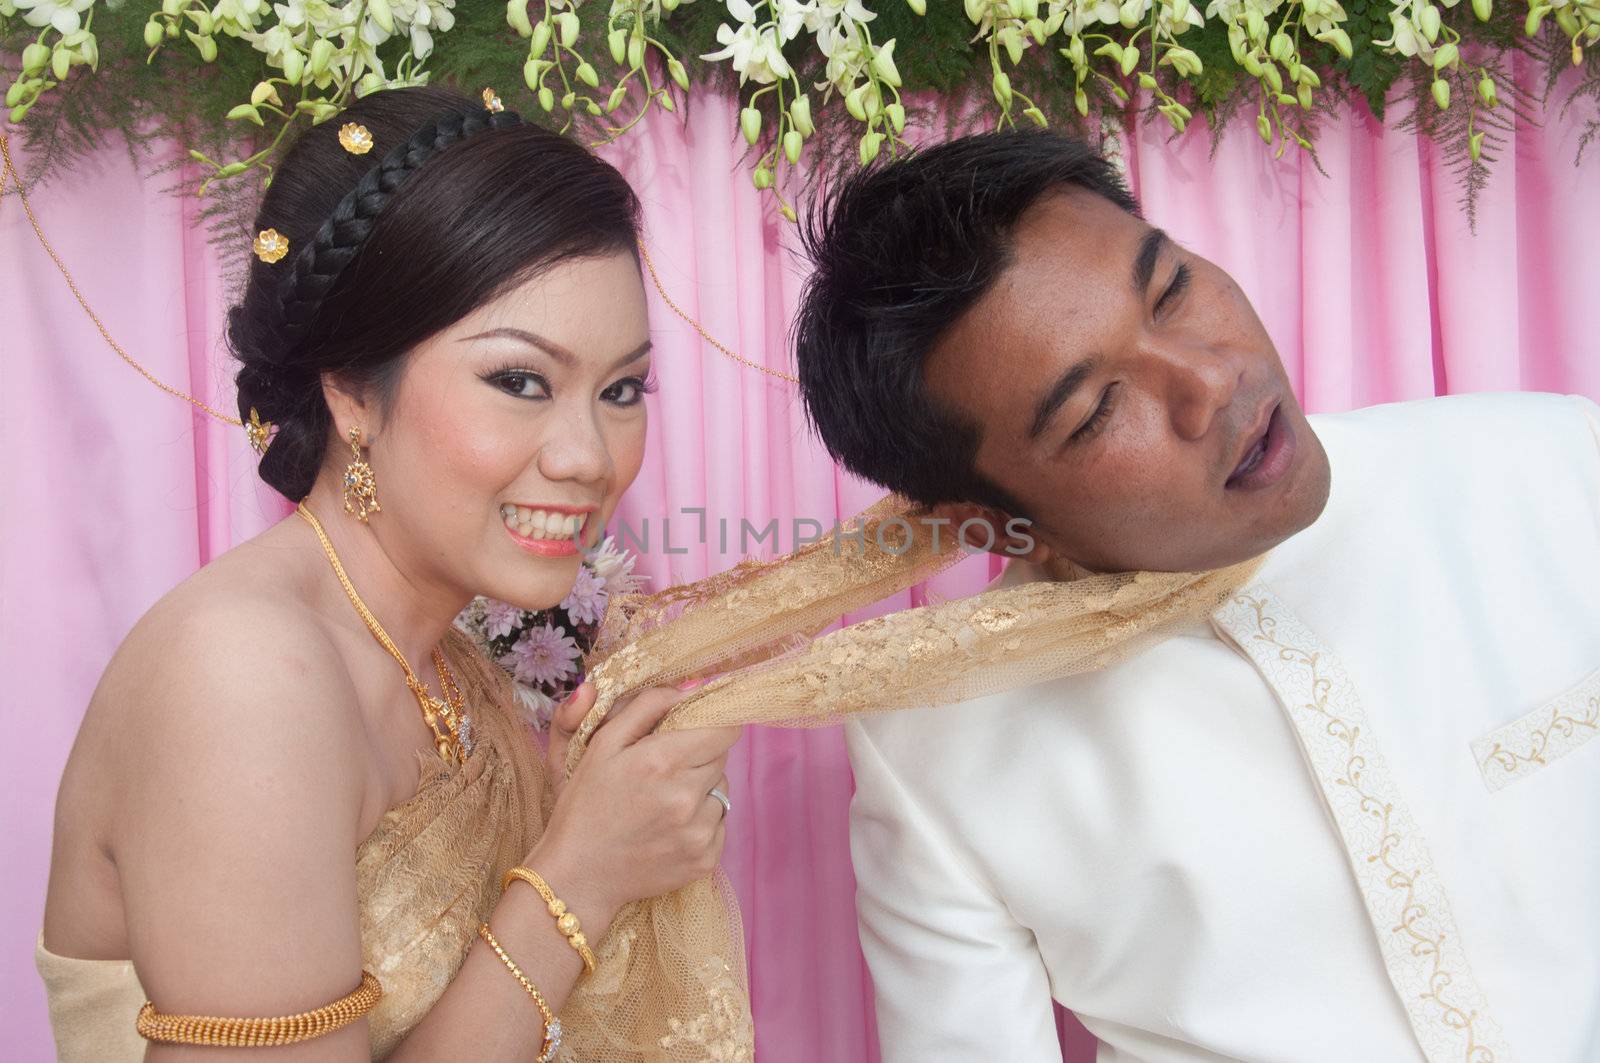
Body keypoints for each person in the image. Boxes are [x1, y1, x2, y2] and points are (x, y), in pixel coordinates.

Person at [792, 131, 1600, 1062]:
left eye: (1172, 289)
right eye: (1096, 410)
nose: (1212, 381)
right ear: (992, 521)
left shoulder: (1554, 468)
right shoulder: (937, 748)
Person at [38, 85, 743, 1062]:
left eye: (621, 389)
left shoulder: (454, 667)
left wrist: (586, 797)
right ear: (351, 389)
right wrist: (579, 876)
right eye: (520, 381)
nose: (589, 454)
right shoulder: (242, 674)